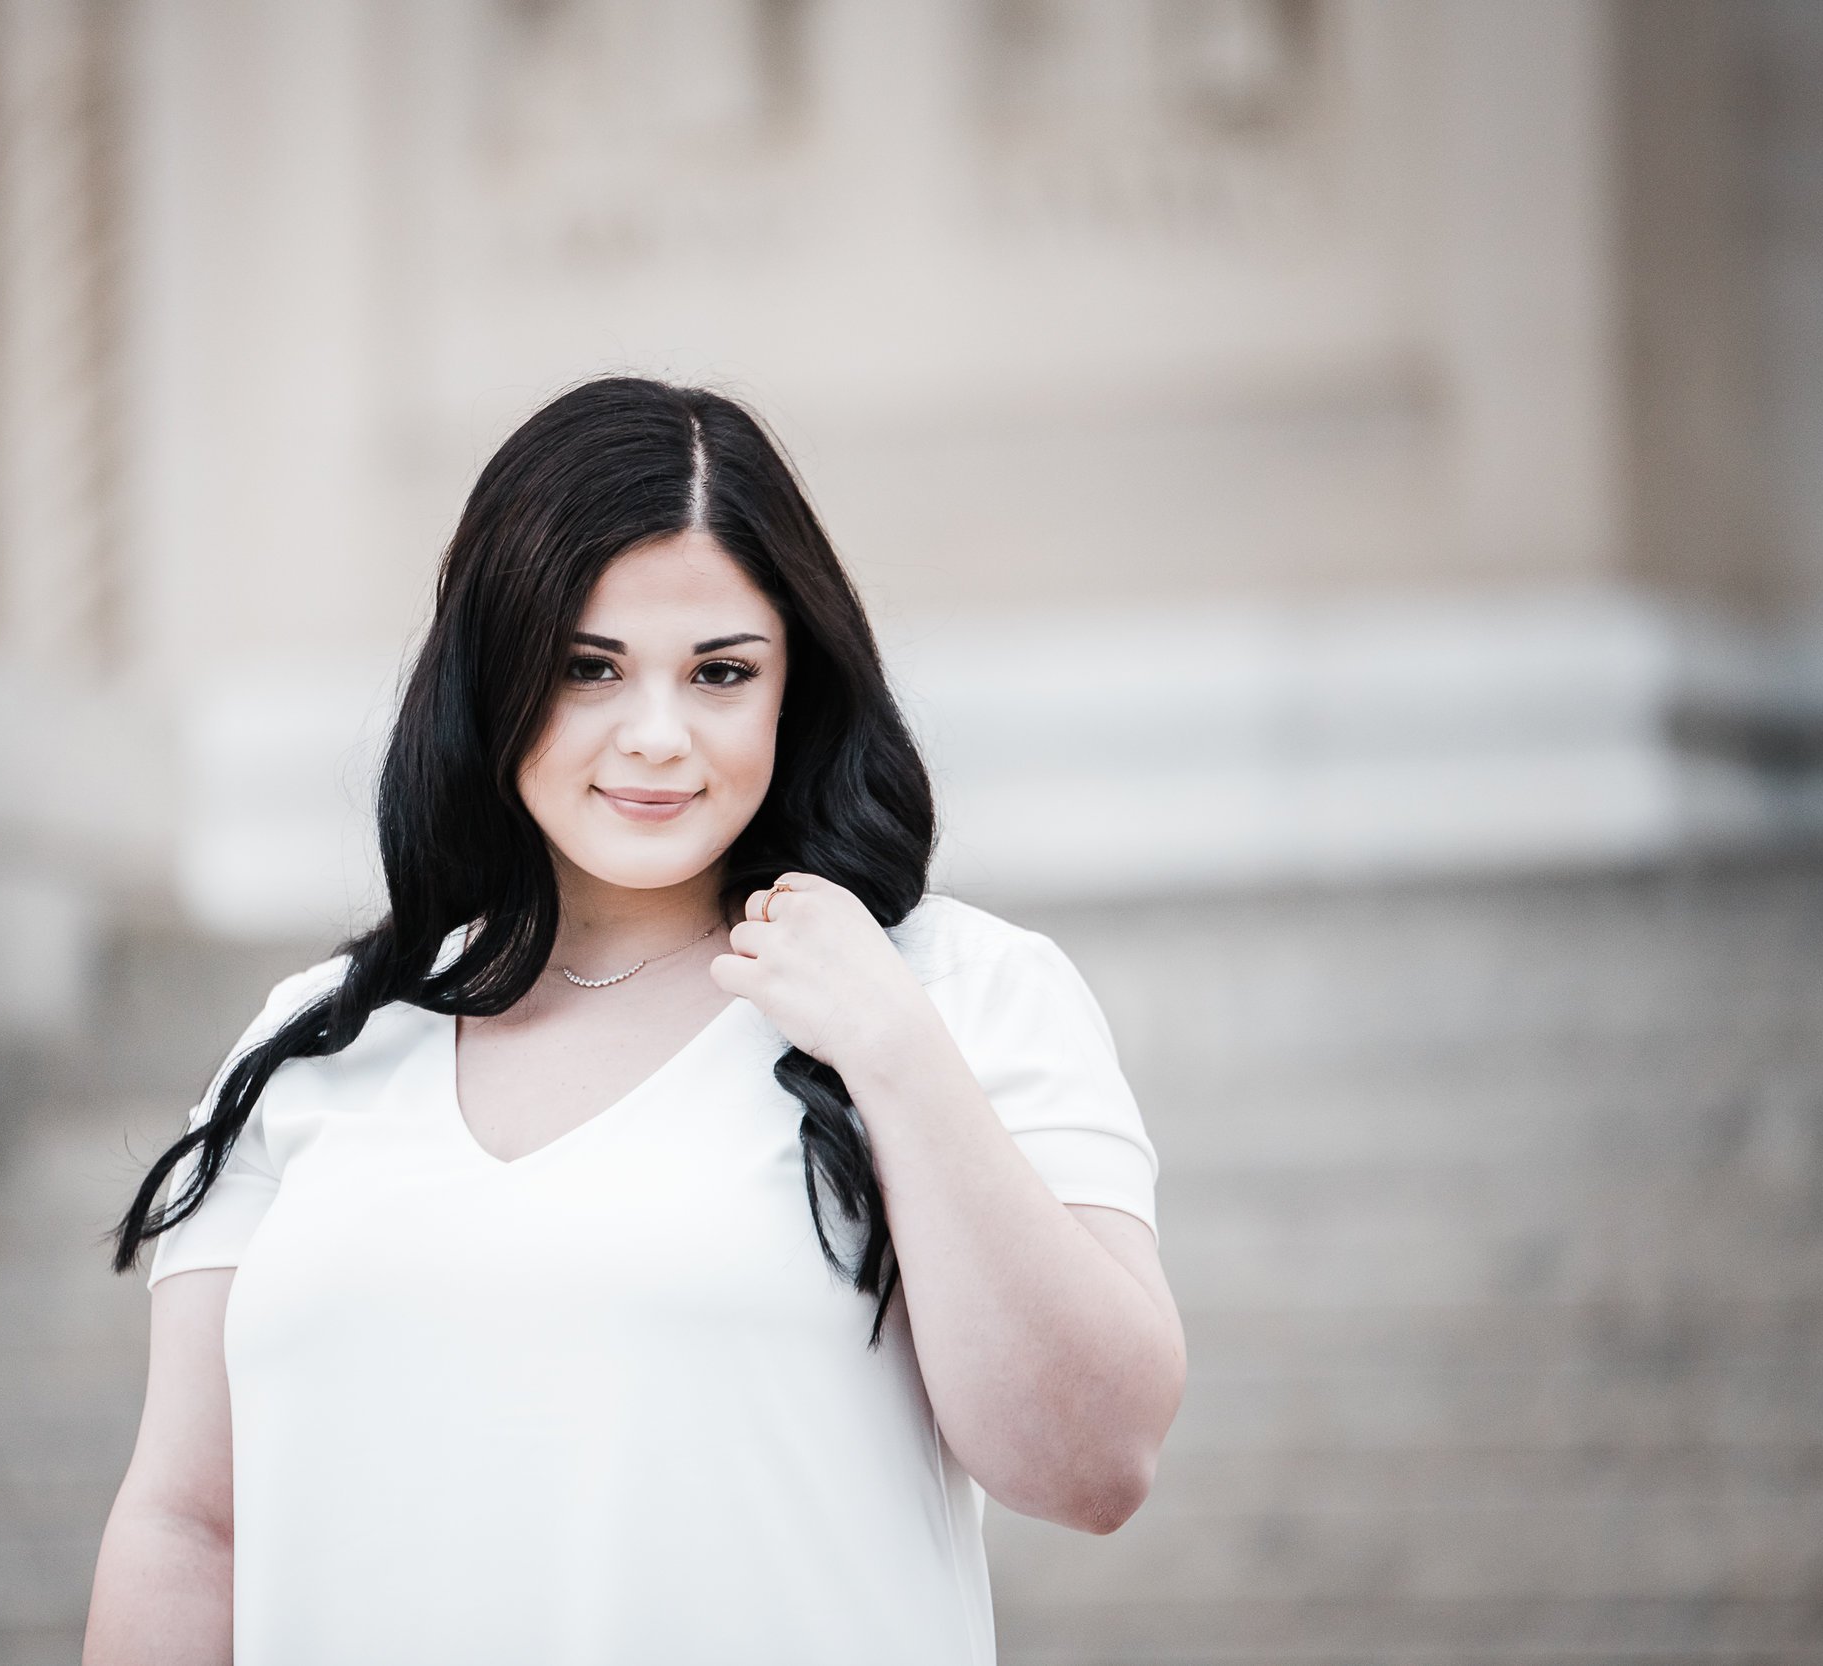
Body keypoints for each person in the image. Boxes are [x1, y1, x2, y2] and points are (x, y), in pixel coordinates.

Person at [83, 377, 1185, 1666]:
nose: (656, 737)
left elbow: (1094, 1464)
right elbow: (188, 1527)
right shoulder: (321, 1042)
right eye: (588, 668)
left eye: (720, 672)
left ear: (796, 688)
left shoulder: (957, 991)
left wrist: (893, 1050)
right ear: (494, 678)